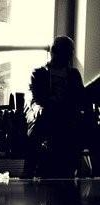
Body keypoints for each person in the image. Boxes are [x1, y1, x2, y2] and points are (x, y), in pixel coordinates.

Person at [26, 36, 86, 178]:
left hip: (65, 115)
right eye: (68, 52)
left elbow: (80, 97)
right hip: (49, 114)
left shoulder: (73, 74)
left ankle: (35, 169)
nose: (70, 55)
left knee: (74, 125)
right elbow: (35, 98)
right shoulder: (39, 73)